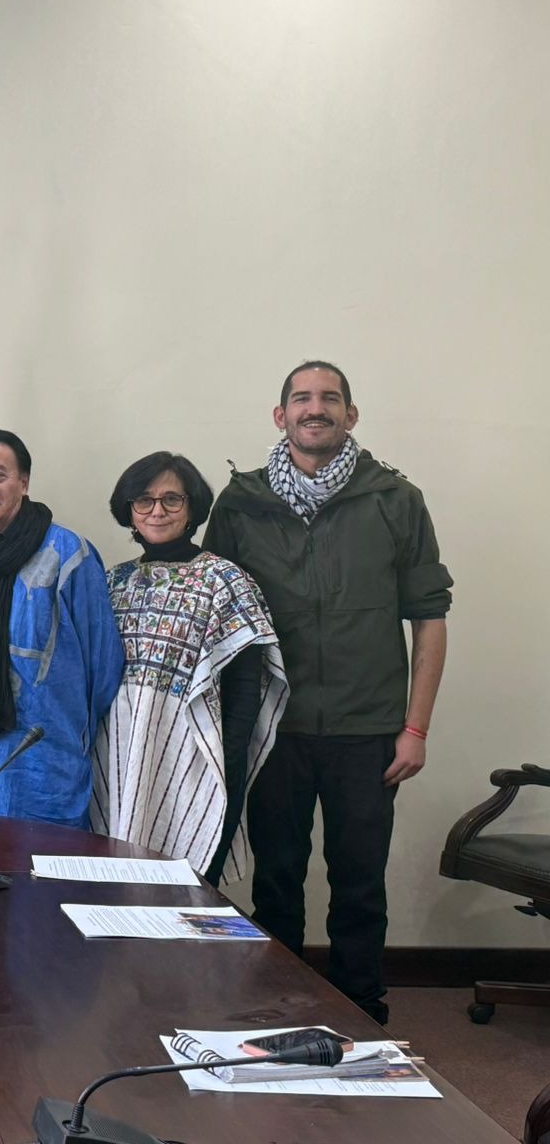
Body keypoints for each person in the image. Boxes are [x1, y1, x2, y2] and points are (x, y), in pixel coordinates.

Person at [203, 361, 451, 1024]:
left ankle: (360, 1013)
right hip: (273, 727)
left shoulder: (396, 500)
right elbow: (217, 617)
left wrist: (416, 727)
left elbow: (430, 615)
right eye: (302, 398)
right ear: (280, 416)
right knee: (276, 881)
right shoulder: (241, 502)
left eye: (330, 398)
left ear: (351, 415)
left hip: (367, 729)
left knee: (360, 885)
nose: (317, 408)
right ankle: (279, 1011)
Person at [90, 451, 289, 884]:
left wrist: (227, 768)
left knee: (186, 897)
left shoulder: (225, 580)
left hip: (196, 764)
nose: (157, 510)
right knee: (111, 891)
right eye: (144, 500)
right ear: (129, 511)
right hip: (118, 760)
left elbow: (244, 686)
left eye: (171, 499)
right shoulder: (112, 581)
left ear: (193, 507)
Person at [0, 429, 123, 827]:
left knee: (38, 878)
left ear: (24, 482)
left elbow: (103, 667)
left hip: (40, 757)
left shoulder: (68, 554)